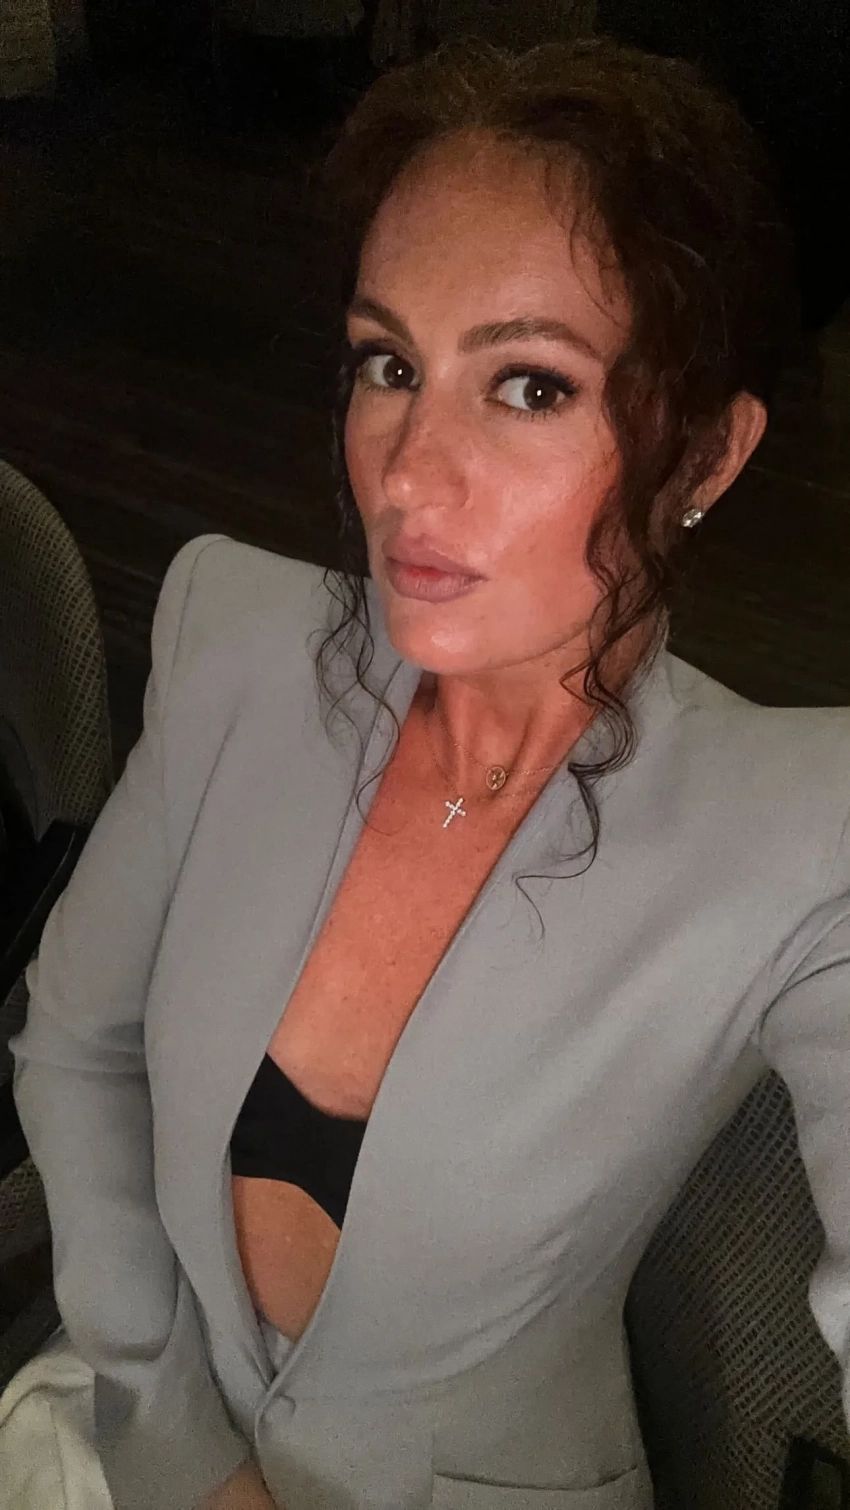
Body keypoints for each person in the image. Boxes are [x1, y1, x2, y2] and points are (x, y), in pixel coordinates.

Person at [1, 33, 848, 1510]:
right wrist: (181, 1443)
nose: (403, 473)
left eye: (528, 386)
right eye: (388, 365)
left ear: (706, 457)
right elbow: (75, 1043)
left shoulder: (806, 826)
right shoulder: (231, 638)